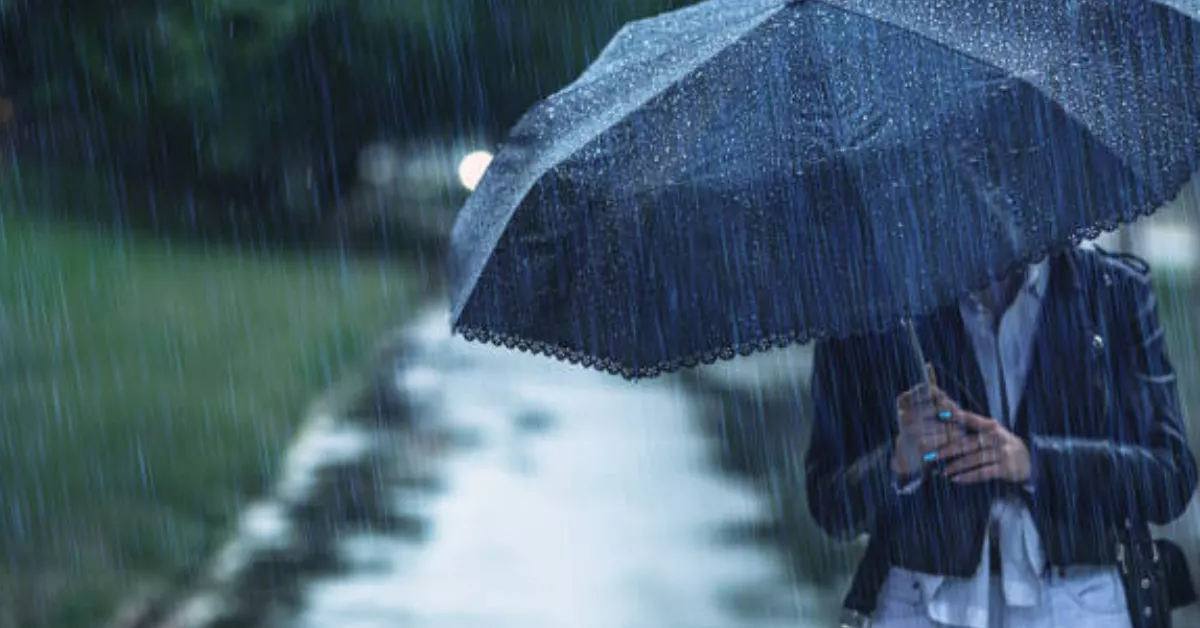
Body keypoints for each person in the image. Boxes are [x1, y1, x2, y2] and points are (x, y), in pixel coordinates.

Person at [805, 246, 1198, 628]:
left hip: (1078, 599)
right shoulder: (871, 309)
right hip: (919, 599)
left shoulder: (1112, 291)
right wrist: (897, 461)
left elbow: (1170, 478)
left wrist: (1036, 463)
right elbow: (831, 504)